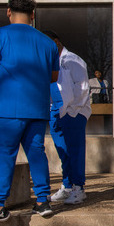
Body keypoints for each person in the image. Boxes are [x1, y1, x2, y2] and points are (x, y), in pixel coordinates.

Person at [0, 0, 60, 221]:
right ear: (33, 15)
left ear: (8, 12)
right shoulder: (48, 43)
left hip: (5, 108)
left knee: (4, 156)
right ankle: (43, 201)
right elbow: (53, 77)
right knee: (37, 154)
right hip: (36, 108)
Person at [43, 31, 91, 205]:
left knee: (75, 151)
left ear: (56, 42)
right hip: (56, 110)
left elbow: (83, 87)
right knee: (63, 151)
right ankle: (67, 185)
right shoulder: (50, 61)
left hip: (72, 112)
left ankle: (78, 188)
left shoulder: (73, 60)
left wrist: (73, 109)